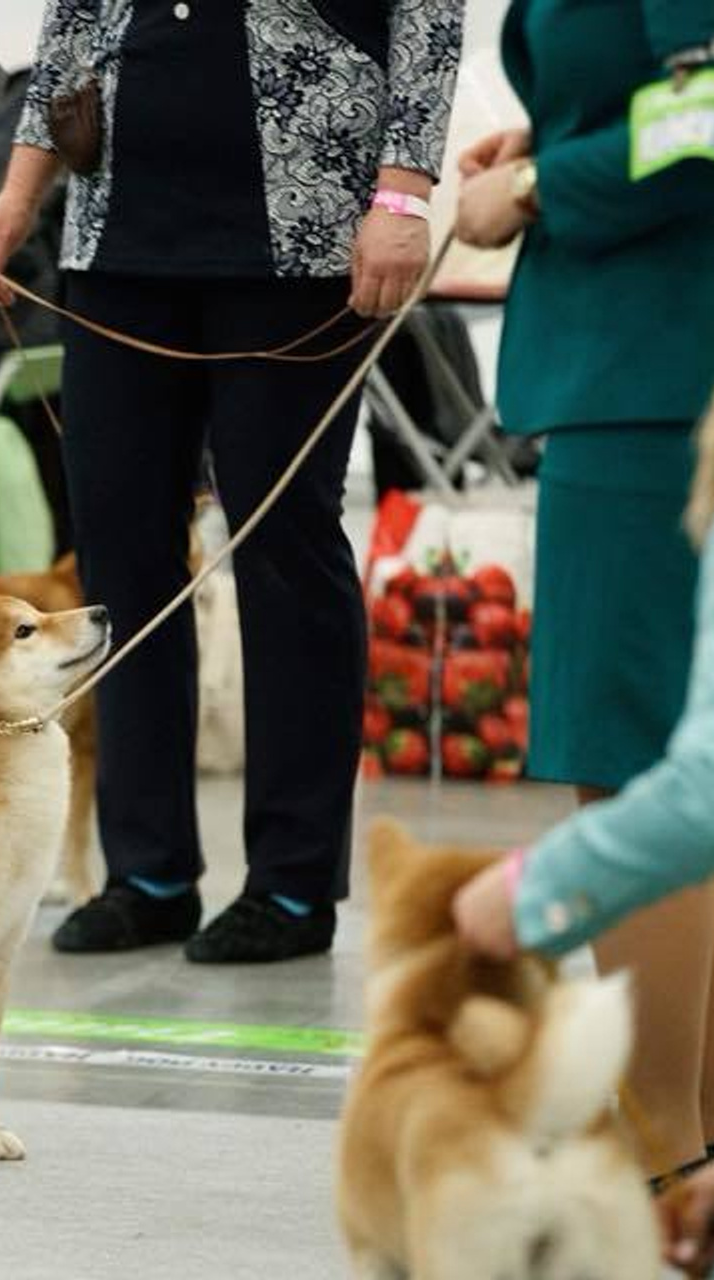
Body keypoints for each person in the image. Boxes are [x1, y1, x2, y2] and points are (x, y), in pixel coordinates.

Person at [0, 0, 463, 963]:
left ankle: (293, 881)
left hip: (304, 228)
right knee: (119, 554)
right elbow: (74, 21)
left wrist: (400, 195)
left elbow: (430, 17)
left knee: (286, 549)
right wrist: (20, 193)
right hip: (117, 233)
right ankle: (147, 871)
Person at [454, 0, 714, 1178]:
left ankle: (660, 1160)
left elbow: (707, 106)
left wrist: (543, 186)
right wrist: (544, 139)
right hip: (653, 355)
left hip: (653, 364)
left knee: (638, 763)